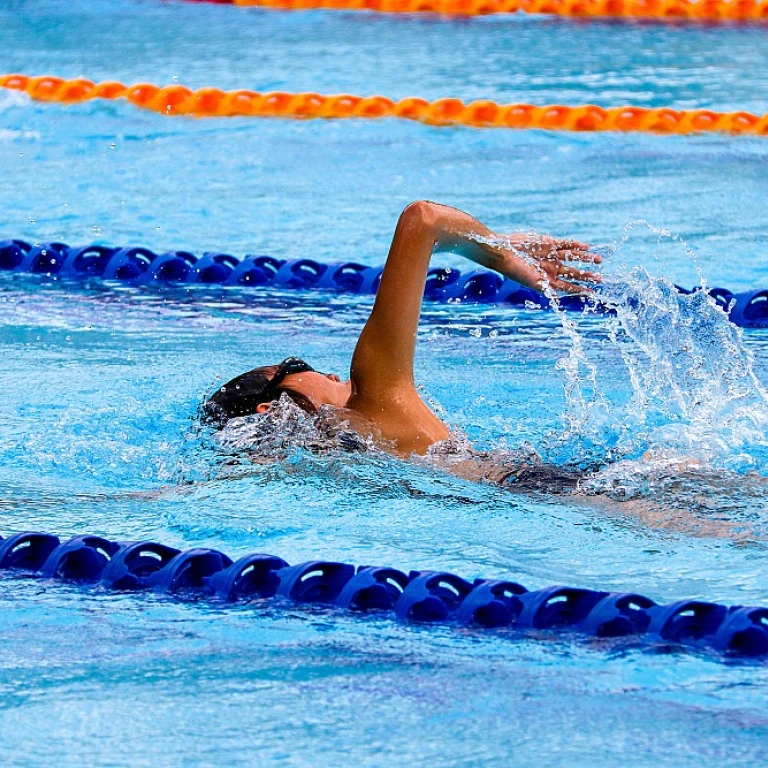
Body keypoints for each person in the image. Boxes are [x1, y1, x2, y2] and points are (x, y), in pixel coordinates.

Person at [205, 201, 601, 488]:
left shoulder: (353, 461)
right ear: (272, 408)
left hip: (541, 493)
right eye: (295, 367)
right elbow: (423, 219)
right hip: (559, 488)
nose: (326, 372)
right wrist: (505, 255)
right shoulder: (372, 394)